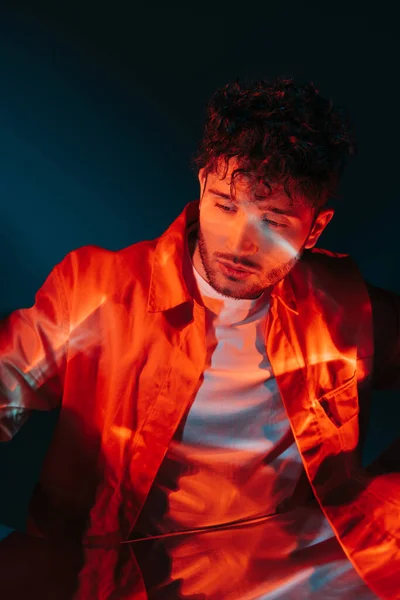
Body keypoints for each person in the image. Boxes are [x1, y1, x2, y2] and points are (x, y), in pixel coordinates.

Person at [0, 76, 399, 600]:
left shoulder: (343, 305)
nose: (239, 243)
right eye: (225, 205)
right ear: (204, 182)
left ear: (315, 228)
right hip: (117, 573)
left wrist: (385, 507)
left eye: (273, 222)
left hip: (289, 575)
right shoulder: (97, 288)